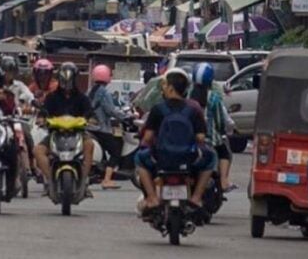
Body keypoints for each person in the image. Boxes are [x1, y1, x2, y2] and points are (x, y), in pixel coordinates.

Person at [135, 69, 214, 216]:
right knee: (211, 158)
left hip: (161, 158)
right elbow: (201, 137)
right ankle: (196, 198)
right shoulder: (193, 109)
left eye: (164, 85)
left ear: (171, 88)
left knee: (139, 158)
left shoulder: (158, 109)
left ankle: (152, 199)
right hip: (189, 158)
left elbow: (147, 137)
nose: (163, 88)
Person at [33, 62, 94, 192]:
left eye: (70, 80)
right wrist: (41, 119)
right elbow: (43, 112)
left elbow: (90, 113)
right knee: (38, 150)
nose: (67, 84)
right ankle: (50, 180)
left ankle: (83, 180)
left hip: (78, 134)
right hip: (55, 134)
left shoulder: (82, 98)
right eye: (64, 80)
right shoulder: (51, 97)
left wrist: (89, 120)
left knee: (90, 145)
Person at [190, 62, 232, 192]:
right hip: (211, 139)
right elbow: (220, 122)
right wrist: (223, 131)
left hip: (189, 138)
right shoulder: (214, 98)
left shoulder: (187, 95)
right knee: (225, 153)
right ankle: (224, 181)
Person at [87, 64, 127, 188]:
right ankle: (107, 179)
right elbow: (111, 111)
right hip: (100, 128)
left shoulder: (90, 91)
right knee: (115, 151)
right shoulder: (104, 93)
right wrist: (125, 117)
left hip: (88, 127)